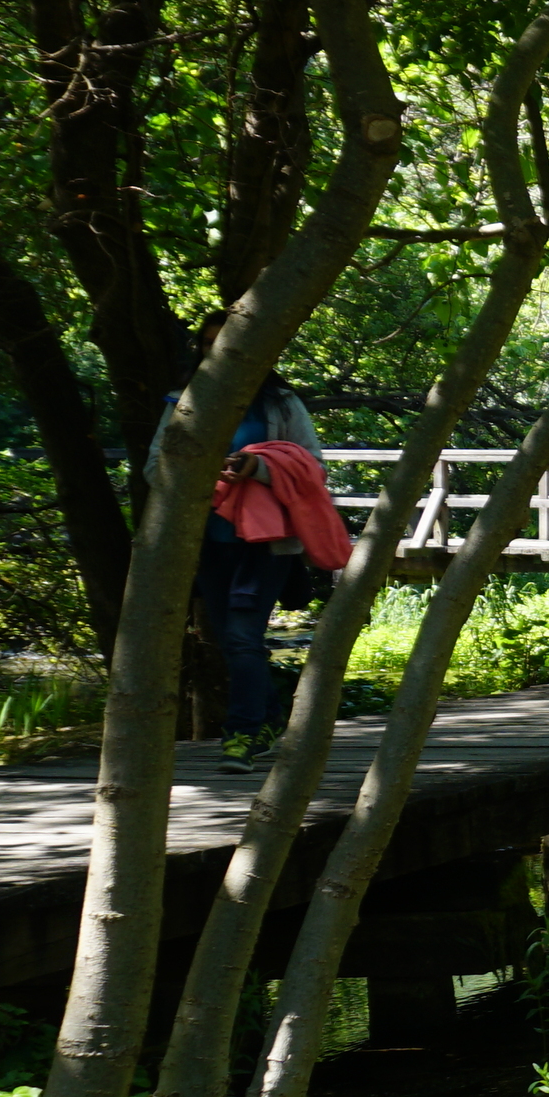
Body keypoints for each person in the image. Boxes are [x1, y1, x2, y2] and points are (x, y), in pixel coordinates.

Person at [169, 315, 335, 765]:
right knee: (229, 641)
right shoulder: (182, 403)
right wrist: (199, 472)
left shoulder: (280, 403)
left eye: (224, 342)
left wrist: (255, 468)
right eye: (206, 344)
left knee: (242, 637)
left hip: (267, 543)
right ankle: (268, 718)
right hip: (207, 541)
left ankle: (241, 735)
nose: (214, 351)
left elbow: (313, 468)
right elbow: (155, 467)